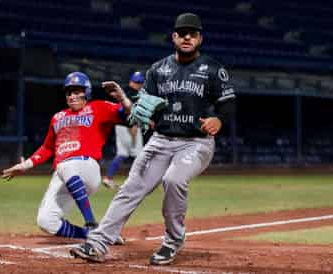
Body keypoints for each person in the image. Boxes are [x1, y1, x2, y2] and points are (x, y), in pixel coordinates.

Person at [70, 12, 236, 265]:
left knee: (173, 180)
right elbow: (142, 111)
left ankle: (172, 242)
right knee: (131, 188)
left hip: (195, 143)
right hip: (160, 140)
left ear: (200, 38)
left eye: (193, 33)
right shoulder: (158, 70)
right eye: (182, 33)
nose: (187, 37)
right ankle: (98, 242)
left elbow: (228, 104)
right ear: (174, 37)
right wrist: (130, 103)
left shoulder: (213, 70)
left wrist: (220, 120)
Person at [2, 72, 132, 242]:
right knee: (46, 221)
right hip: (63, 174)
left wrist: (123, 99)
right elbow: (48, 147)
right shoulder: (58, 117)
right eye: (69, 92)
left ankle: (91, 222)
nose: (72, 96)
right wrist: (26, 165)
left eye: (77, 91)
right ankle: (95, 235)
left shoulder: (98, 107)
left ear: (87, 92)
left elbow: (130, 115)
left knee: (64, 165)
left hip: (87, 168)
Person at [102, 71, 145, 190]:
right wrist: (133, 127)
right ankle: (136, 182)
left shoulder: (126, 91)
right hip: (129, 125)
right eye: (137, 82)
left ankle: (108, 178)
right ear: (131, 81)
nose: (138, 84)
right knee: (139, 155)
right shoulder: (134, 94)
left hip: (120, 125)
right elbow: (128, 111)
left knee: (123, 153)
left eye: (140, 82)